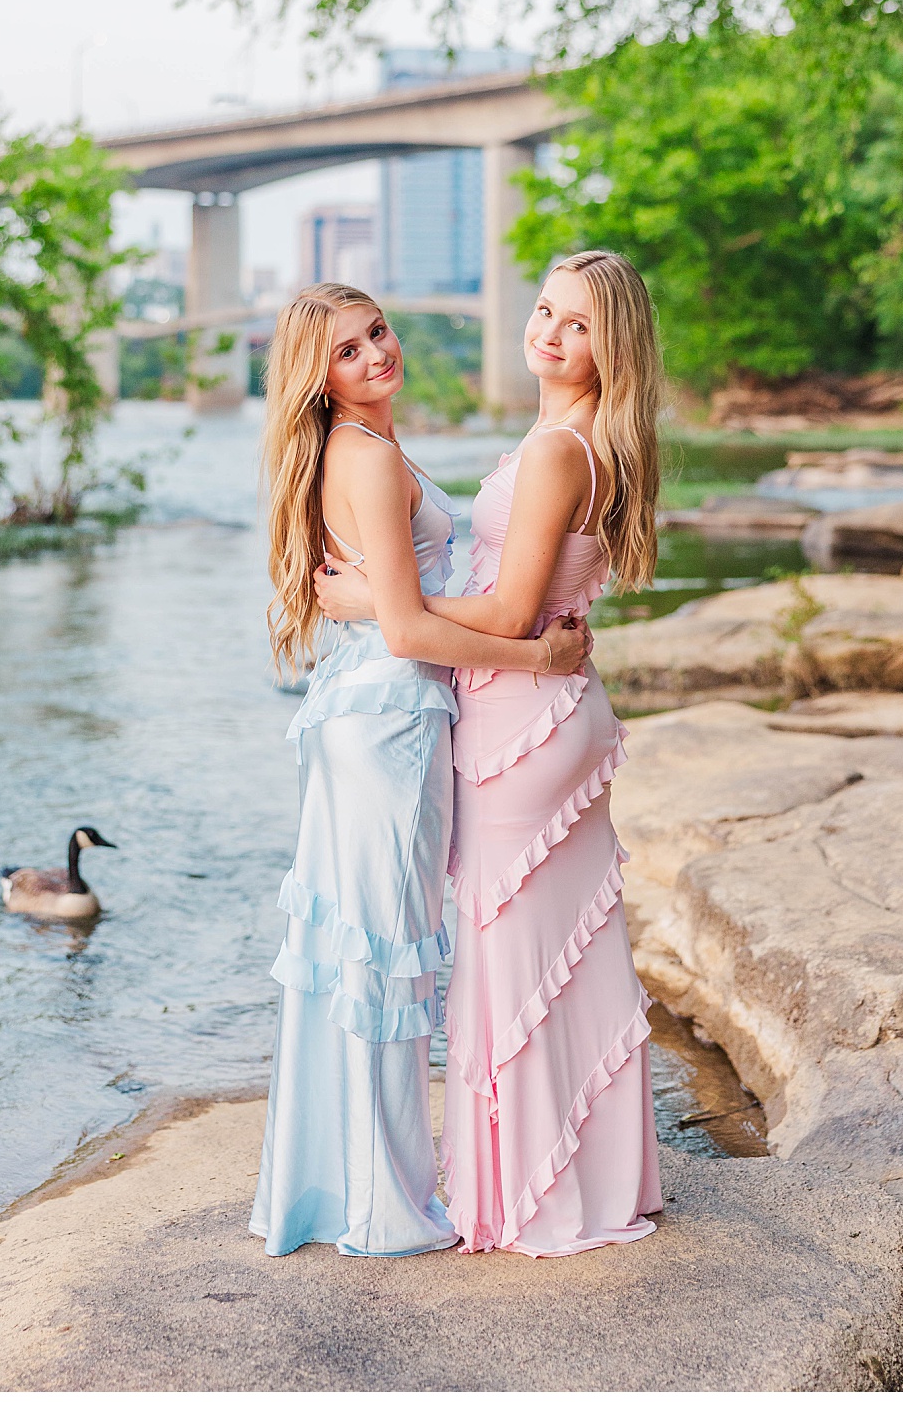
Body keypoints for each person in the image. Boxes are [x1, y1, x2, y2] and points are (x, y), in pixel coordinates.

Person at [316, 251, 664, 1255]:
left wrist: (369, 602)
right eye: (547, 310)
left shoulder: (560, 449)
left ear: (615, 345)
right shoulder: (578, 433)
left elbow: (514, 610)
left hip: (525, 717)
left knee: (509, 961)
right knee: (568, 956)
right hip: (550, 704)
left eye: (581, 324)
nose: (551, 333)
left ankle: (526, 1201)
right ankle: (592, 1182)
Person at [251, 283, 590, 1259]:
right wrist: (538, 655)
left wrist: (373, 600)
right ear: (319, 380)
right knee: (384, 962)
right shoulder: (361, 458)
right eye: (348, 352)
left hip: (369, 711)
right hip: (392, 719)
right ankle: (382, 1208)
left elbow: (391, 604)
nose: (374, 356)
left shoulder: (369, 447)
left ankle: (338, 1191)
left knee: (360, 956)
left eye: (378, 333)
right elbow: (407, 624)